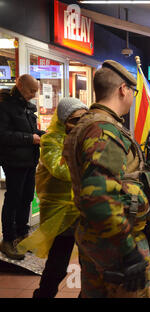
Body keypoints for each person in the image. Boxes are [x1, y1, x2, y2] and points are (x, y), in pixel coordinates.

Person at [63, 60, 150, 298]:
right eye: (133, 91)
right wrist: (128, 251)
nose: (133, 97)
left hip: (97, 234)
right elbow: (98, 196)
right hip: (115, 242)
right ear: (123, 90)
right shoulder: (104, 131)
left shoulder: (86, 124)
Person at [17, 97, 88, 298]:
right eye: (75, 120)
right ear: (64, 120)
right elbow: (60, 170)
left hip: (83, 208)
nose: (79, 125)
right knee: (58, 264)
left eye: (84, 119)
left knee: (89, 263)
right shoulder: (50, 140)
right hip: (60, 213)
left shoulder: (85, 138)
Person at [0, 74, 45, 260]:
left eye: (36, 91)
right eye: (31, 90)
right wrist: (30, 139)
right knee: (13, 199)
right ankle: (8, 240)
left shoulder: (27, 107)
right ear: (19, 86)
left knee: (26, 198)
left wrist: (45, 135)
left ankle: (22, 235)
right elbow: (3, 135)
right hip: (13, 162)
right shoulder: (5, 107)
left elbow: (30, 131)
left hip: (29, 161)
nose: (34, 95)